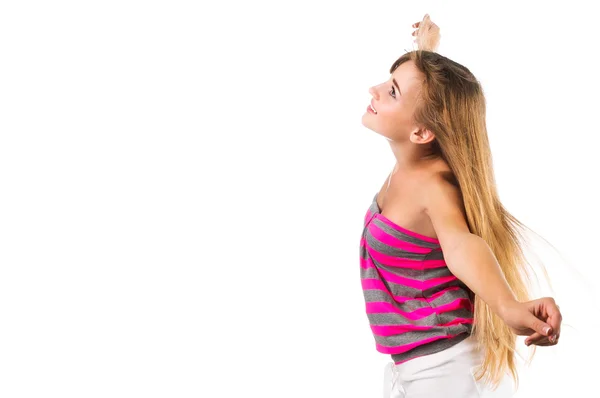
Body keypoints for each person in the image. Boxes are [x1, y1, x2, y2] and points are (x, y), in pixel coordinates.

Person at [359, 14, 563, 398]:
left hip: (443, 372)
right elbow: (427, 98)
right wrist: (425, 52)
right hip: (412, 365)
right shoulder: (413, 157)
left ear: (422, 132)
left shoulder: (433, 185)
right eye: (388, 82)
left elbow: (460, 245)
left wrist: (507, 306)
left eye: (391, 91)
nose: (374, 89)